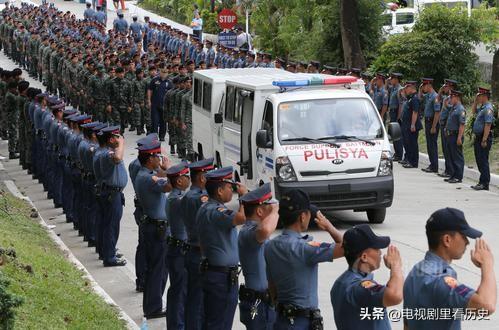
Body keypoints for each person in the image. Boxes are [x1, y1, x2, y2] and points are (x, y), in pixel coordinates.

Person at [404, 208, 496, 330]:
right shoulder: (441, 280)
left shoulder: (414, 273)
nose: (467, 242)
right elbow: (486, 305)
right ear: (447, 240)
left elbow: (407, 324)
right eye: (463, 236)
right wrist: (487, 264)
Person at [264, 189, 344, 330]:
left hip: (281, 320)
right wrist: (329, 227)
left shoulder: (270, 246)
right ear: (302, 216)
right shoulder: (305, 249)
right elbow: (348, 247)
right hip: (302, 322)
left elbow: (272, 288)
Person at [197, 166, 248, 330]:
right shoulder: (216, 211)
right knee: (219, 323)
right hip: (220, 277)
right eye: (229, 187)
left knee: (214, 321)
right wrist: (244, 196)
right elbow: (241, 218)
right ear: (219, 191)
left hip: (216, 274)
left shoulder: (207, 208)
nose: (231, 191)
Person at [331, 225, 403, 330]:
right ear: (364, 257)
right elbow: (395, 296)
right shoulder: (358, 287)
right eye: (376, 248)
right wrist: (396, 266)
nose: (380, 252)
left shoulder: (340, 282)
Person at [134, 139, 171, 319]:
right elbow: (169, 185)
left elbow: (161, 177)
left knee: (156, 268)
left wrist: (163, 170)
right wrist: (171, 170)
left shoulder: (144, 174)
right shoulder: (148, 178)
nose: (160, 158)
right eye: (157, 156)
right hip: (157, 229)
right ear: (150, 159)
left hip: (152, 226)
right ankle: (153, 307)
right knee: (158, 269)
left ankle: (152, 305)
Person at [238, 183, 279, 330]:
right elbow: (266, 230)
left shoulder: (253, 230)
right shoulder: (249, 232)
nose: (273, 206)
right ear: (260, 211)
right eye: (269, 204)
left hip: (265, 301)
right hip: (258, 302)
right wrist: (275, 211)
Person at [180, 157, 214, 330]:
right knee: (197, 302)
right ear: (202, 178)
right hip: (199, 252)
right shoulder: (200, 198)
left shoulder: (188, 196)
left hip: (191, 248)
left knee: (194, 298)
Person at [166, 162, 191, 329]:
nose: (189, 179)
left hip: (178, 248)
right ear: (180, 181)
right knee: (179, 292)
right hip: (179, 249)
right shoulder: (178, 199)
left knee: (180, 290)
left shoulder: (176, 197)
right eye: (187, 177)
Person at [98, 125, 128, 267]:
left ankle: (108, 251)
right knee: (111, 226)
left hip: (113, 193)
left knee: (110, 224)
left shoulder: (107, 151)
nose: (119, 139)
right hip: (111, 193)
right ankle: (109, 256)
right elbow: (117, 158)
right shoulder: (107, 154)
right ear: (111, 139)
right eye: (116, 137)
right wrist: (121, 144)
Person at [470, 87, 494, 191]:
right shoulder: (483, 107)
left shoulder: (488, 109)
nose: (478, 97)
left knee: (483, 160)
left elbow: (488, 125)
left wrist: (484, 139)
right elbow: (474, 111)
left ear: (484, 96)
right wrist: (475, 101)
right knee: (479, 159)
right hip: (479, 137)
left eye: (479, 96)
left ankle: (485, 183)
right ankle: (482, 181)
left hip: (484, 138)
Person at [437, 79, 457, 178]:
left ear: (451, 87)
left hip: (447, 124)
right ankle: (447, 169)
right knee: (445, 149)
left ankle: (450, 170)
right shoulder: (446, 97)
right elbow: (438, 98)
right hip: (443, 123)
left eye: (446, 86)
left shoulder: (452, 99)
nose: (444, 88)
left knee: (448, 149)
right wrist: (441, 90)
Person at [420, 78, 441, 173]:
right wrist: (420, 89)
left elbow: (437, 113)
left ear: (429, 85)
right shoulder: (428, 96)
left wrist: (433, 126)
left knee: (432, 144)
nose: (423, 87)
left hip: (433, 122)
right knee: (429, 144)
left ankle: (434, 166)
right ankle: (432, 164)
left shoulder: (435, 97)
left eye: (424, 85)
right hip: (428, 121)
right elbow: (419, 97)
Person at [444, 90, 466, 184]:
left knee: (457, 157)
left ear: (457, 97)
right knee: (451, 156)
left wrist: (459, 137)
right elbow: (445, 106)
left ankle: (458, 176)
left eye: (451, 97)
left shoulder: (460, 109)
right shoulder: (453, 108)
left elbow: (462, 125)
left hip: (456, 135)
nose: (450, 99)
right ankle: (453, 175)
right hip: (450, 135)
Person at [400, 81, 422, 169]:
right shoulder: (410, 98)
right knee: (408, 143)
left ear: (411, 88)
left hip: (412, 125)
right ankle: (409, 160)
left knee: (413, 144)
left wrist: (413, 124)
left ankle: (413, 162)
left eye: (406, 88)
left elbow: (415, 112)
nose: (405, 90)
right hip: (407, 124)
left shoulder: (415, 98)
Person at [147, 64, 172, 141]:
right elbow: (150, 90)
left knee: (163, 122)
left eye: (165, 72)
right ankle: (154, 135)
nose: (164, 74)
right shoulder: (155, 80)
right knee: (155, 120)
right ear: (160, 72)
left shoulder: (169, 82)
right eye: (162, 72)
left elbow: (171, 93)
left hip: (164, 105)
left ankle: (162, 136)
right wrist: (148, 100)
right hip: (155, 104)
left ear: (167, 73)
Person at [387, 73, 404, 161]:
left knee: (397, 135)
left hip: (396, 112)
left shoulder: (399, 89)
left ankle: (399, 154)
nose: (390, 80)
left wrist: (398, 116)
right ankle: (396, 153)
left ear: (396, 79)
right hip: (392, 112)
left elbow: (401, 104)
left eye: (392, 79)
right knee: (394, 134)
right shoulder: (393, 88)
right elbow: (386, 86)